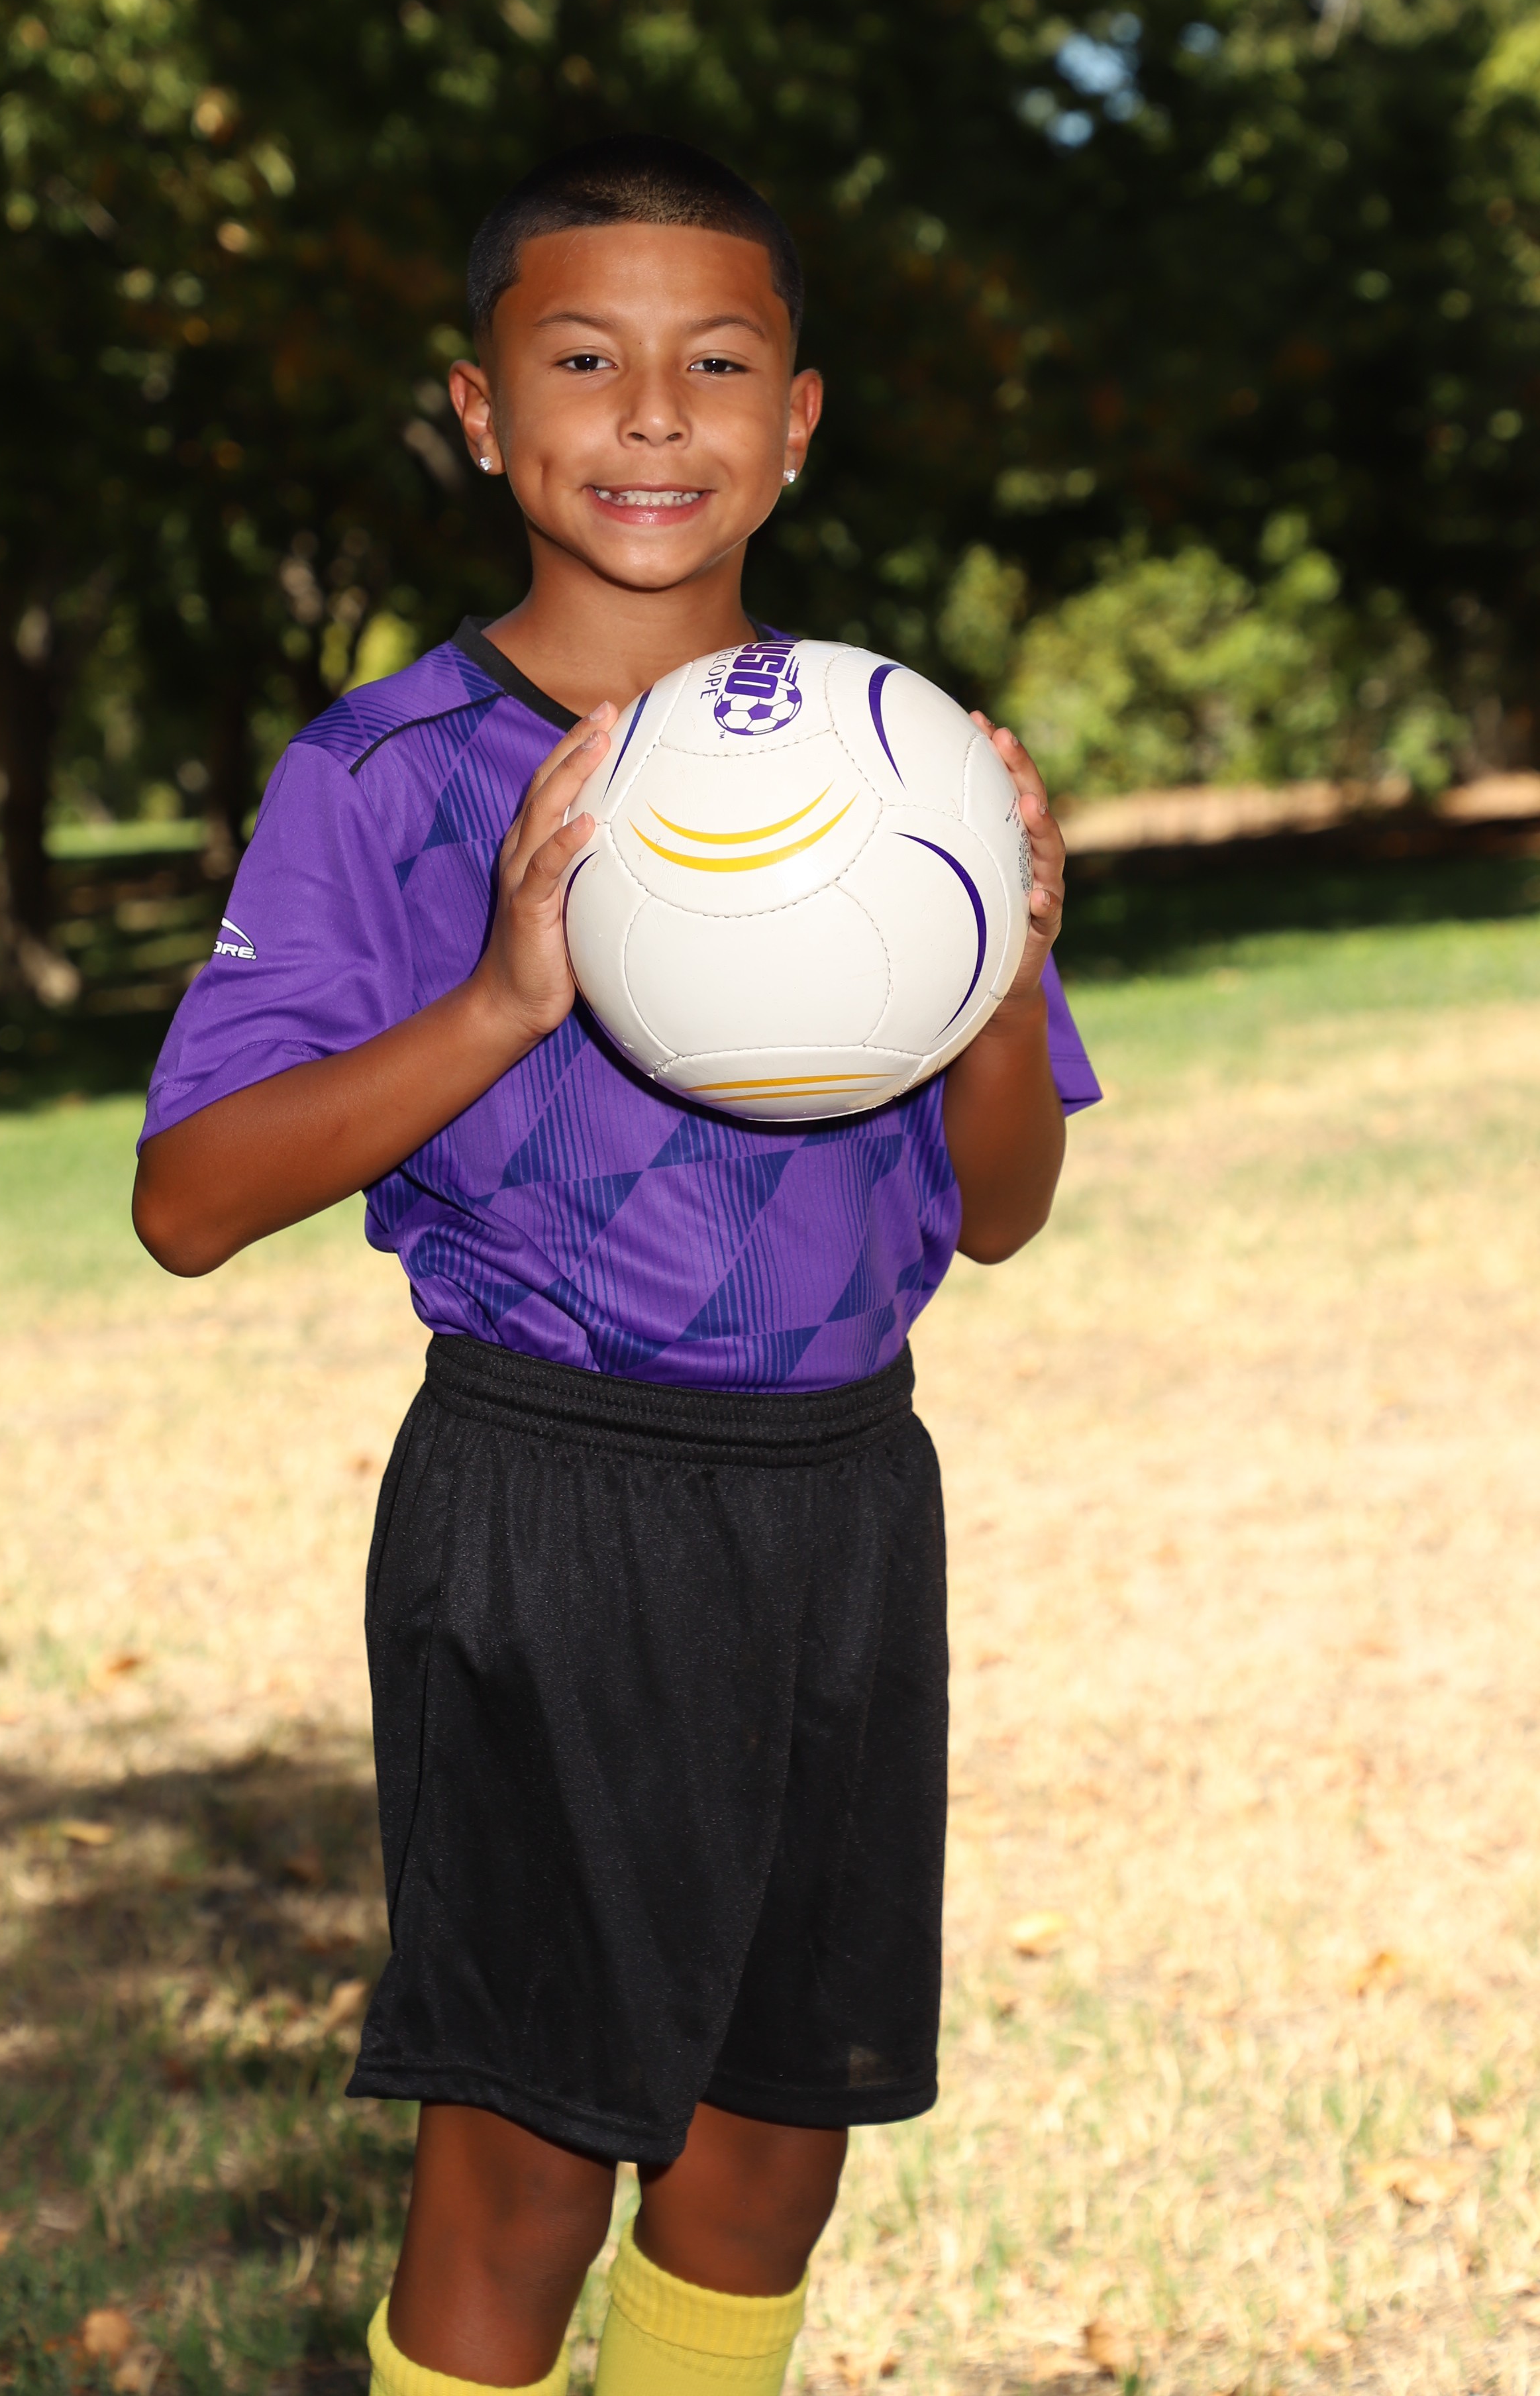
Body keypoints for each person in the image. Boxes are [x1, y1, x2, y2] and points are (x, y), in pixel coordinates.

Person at [133, 136, 1100, 2396]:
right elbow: (189, 1201)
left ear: (800, 418)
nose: (654, 413)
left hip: (844, 1505)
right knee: (528, 2169)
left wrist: (1003, 965)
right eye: (584, 360)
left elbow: (1005, 1206)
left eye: (718, 363)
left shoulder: (906, 767)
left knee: (771, 2153)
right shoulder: (386, 772)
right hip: (551, 1508)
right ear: (483, 414)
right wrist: (499, 999)